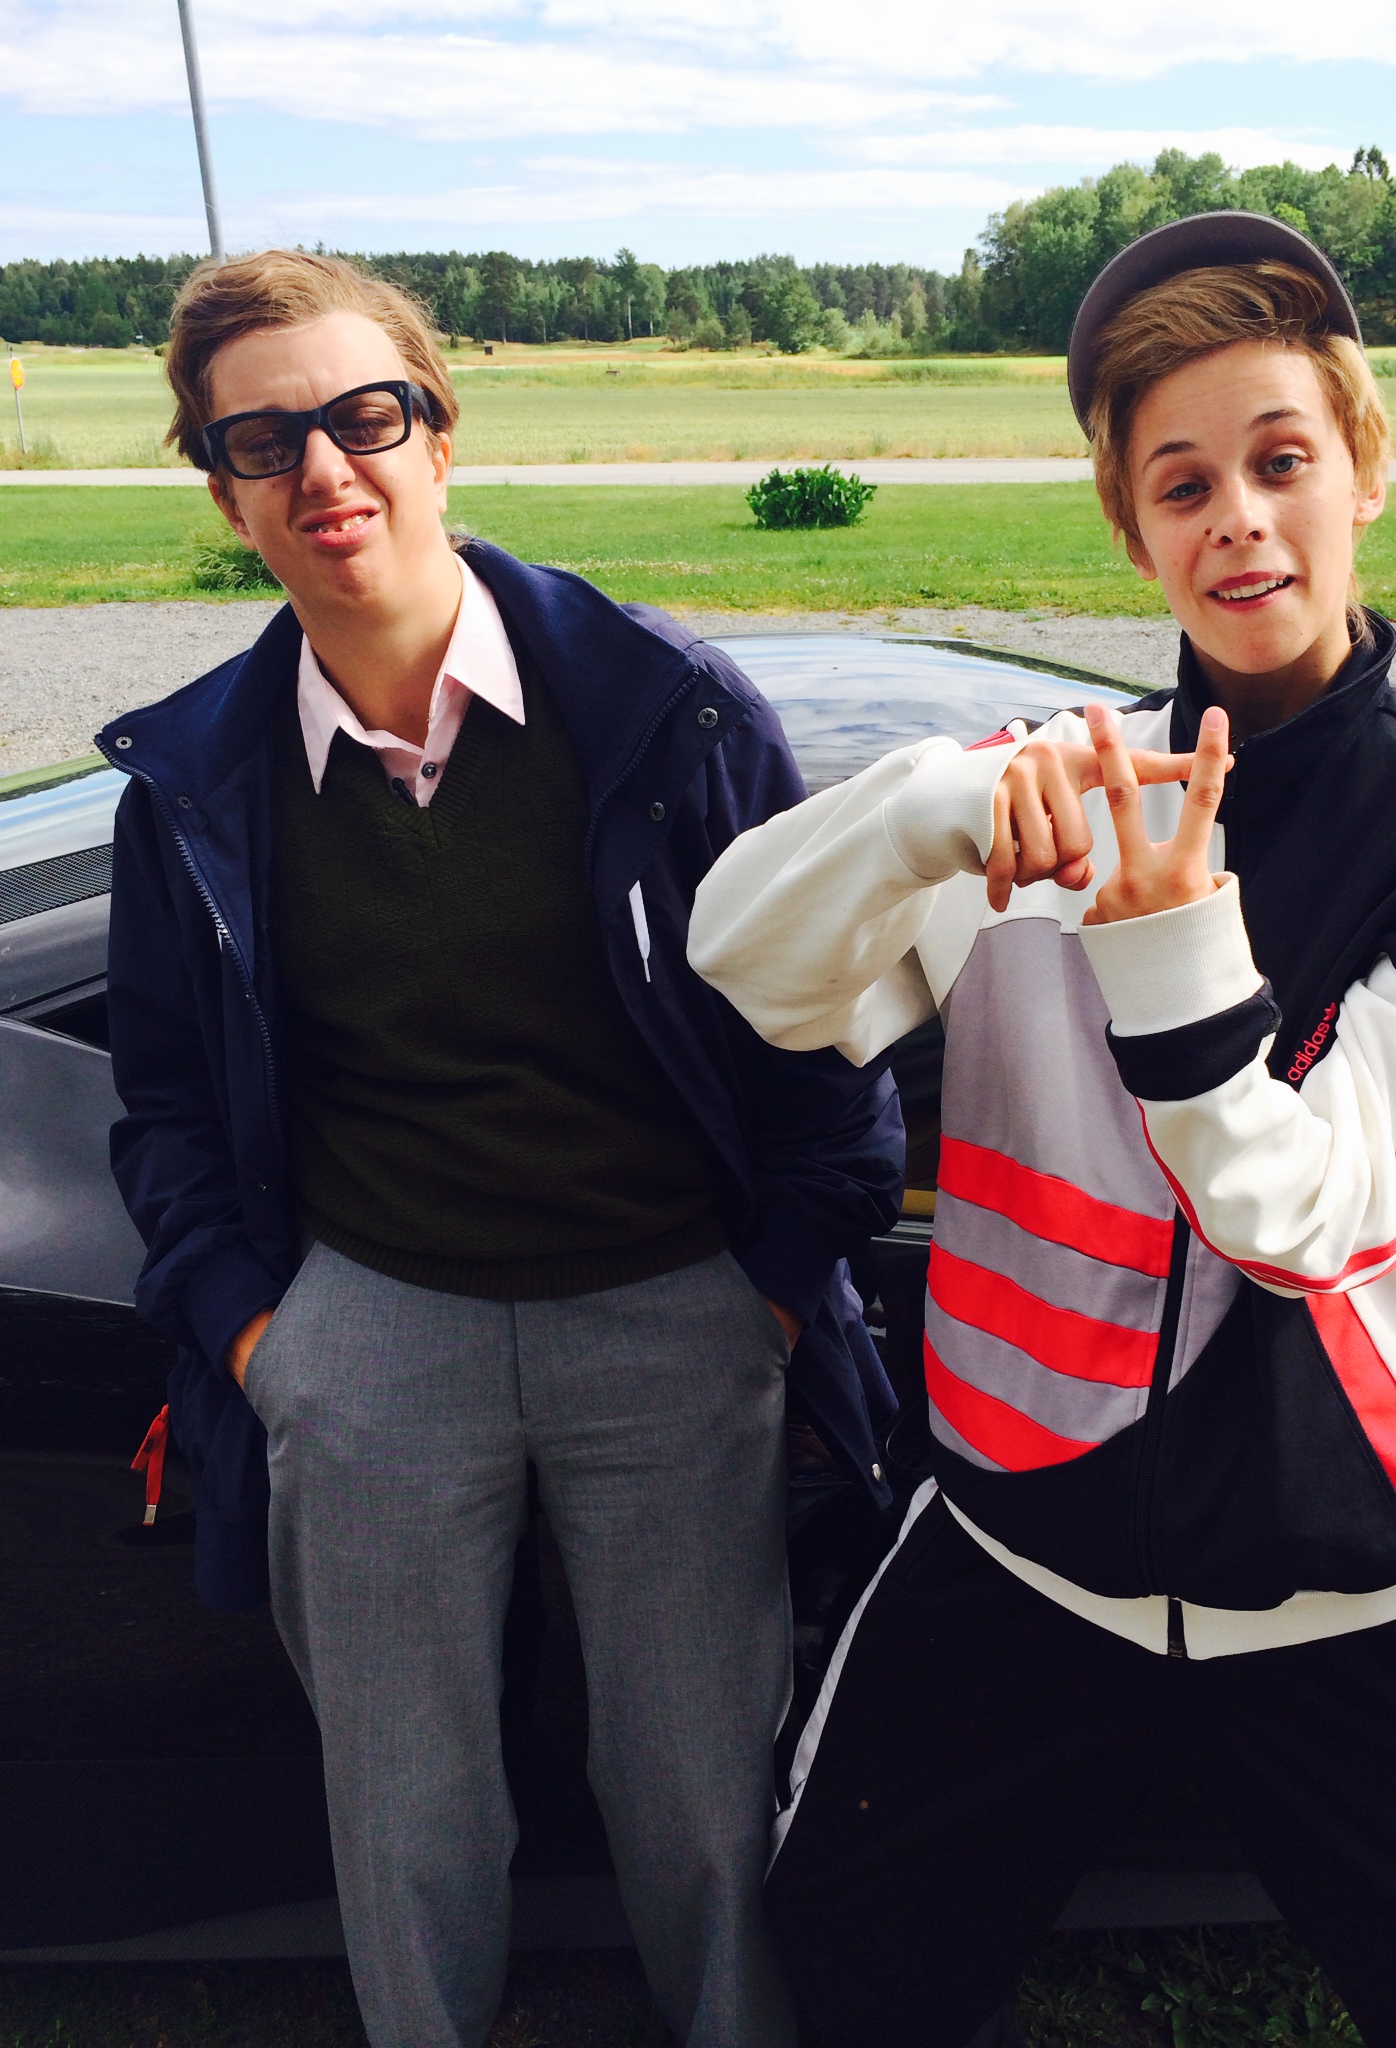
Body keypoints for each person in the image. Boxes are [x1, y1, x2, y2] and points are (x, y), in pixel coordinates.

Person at [687, 212, 1396, 2048]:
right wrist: (923, 810)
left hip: (1361, 1582)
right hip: (1023, 1557)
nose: (1240, 517)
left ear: (1365, 473)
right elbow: (747, 968)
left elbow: (1309, 1218)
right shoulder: (1045, 785)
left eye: (1281, 461)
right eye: (1184, 484)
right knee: (842, 1967)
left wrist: (1167, 948)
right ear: (1134, 529)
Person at [100, 248, 904, 2048]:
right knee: (408, 1821)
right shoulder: (199, 779)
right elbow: (164, 1099)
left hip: (677, 1320)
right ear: (223, 492)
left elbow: (826, 1029)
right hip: (373, 1332)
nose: (325, 470)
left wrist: (771, 1296)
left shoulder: (668, 710)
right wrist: (261, 1337)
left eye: (364, 417)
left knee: (699, 1801)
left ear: (441, 435)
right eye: (263, 440)